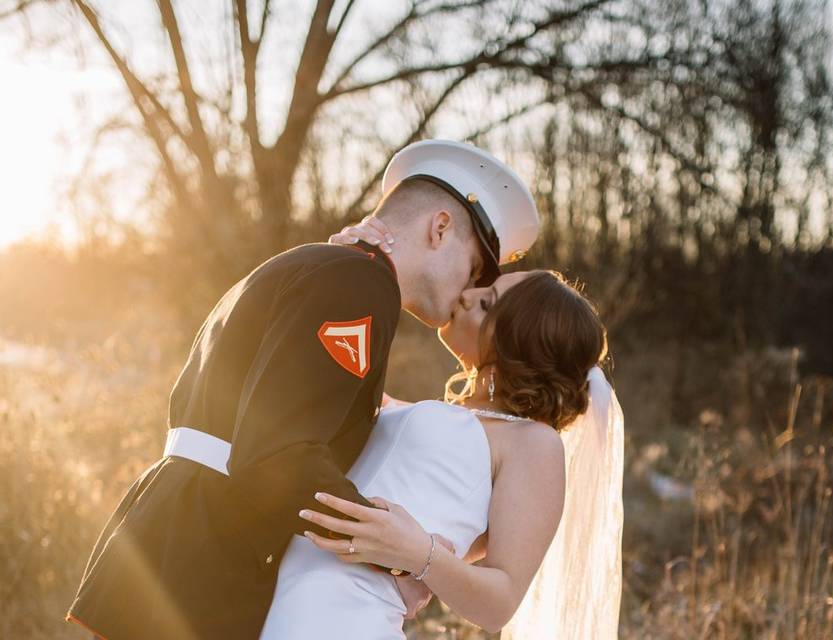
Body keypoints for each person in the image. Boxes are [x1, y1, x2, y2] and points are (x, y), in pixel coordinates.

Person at [65, 139, 540, 640]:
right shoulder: (360, 284)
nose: (466, 292)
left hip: (173, 540)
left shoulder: (326, 267)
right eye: (472, 270)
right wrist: (394, 555)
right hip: (202, 562)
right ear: (439, 228)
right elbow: (279, 454)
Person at [261, 221, 623, 638]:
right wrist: (342, 262)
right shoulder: (433, 414)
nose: (466, 295)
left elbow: (499, 602)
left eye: (487, 303)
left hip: (346, 618)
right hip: (278, 602)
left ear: (521, 343)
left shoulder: (533, 443)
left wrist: (419, 555)